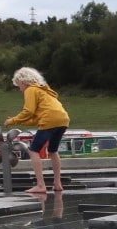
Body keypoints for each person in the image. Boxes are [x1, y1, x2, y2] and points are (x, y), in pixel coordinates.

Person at [4, 66, 70, 195]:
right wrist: (18, 120)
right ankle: (57, 183)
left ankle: (40, 185)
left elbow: (28, 111)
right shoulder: (44, 91)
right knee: (53, 150)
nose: (19, 90)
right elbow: (36, 118)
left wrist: (12, 121)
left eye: (18, 86)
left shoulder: (31, 90)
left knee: (33, 150)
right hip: (63, 120)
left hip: (49, 120)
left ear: (23, 82)